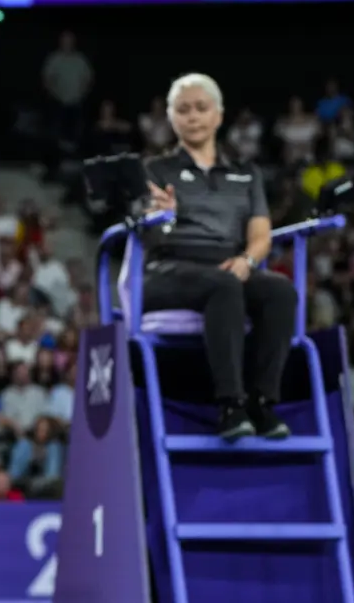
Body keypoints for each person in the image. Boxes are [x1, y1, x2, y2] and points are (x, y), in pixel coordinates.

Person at [142, 73, 296, 440]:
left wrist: (248, 261)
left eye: (200, 108)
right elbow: (147, 235)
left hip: (228, 264)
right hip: (167, 269)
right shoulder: (155, 169)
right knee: (224, 285)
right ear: (172, 117)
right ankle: (230, 406)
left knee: (280, 291)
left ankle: (262, 403)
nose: (192, 116)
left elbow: (260, 236)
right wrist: (162, 216)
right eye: (183, 110)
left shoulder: (246, 173)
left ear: (218, 115)